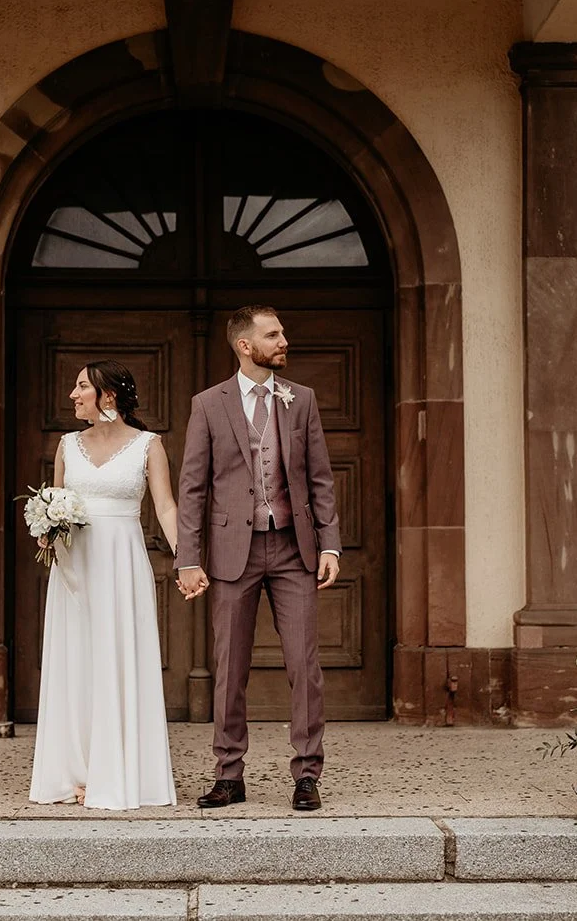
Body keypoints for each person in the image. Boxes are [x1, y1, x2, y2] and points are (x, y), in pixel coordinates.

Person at [176, 305, 340, 812]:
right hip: (231, 554)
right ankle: (229, 775)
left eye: (282, 331)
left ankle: (307, 774)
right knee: (230, 668)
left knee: (304, 665)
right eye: (273, 334)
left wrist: (330, 543)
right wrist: (188, 557)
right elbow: (193, 488)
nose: (284, 339)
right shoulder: (208, 405)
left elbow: (320, 478)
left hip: (294, 549)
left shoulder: (302, 400)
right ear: (245, 346)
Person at [28, 360, 180, 809]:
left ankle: (118, 773)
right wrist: (45, 526)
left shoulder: (149, 446)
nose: (73, 395)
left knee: (118, 656)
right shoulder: (66, 445)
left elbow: (166, 508)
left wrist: (185, 558)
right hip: (75, 567)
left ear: (107, 395)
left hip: (121, 564)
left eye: (80, 387)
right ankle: (76, 771)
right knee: (75, 658)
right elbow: (55, 500)